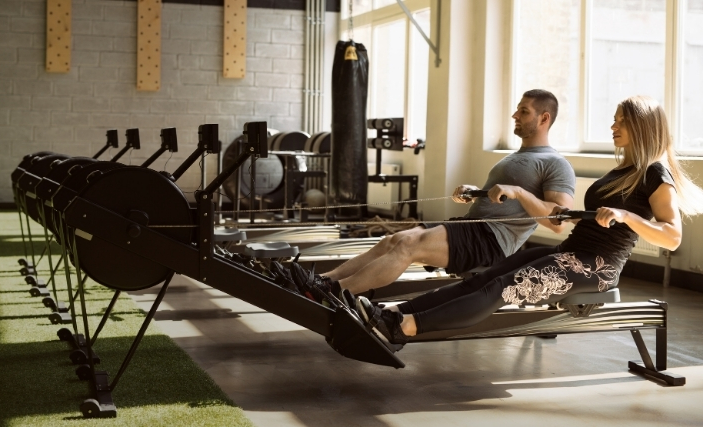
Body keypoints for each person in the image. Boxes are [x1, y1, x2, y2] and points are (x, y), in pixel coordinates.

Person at [355, 95, 703, 346]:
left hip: (597, 268)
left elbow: (672, 237)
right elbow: (566, 219)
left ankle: (404, 327)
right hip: (572, 252)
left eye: (621, 120)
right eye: (614, 119)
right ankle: (392, 310)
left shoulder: (655, 173)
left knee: (501, 288)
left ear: (642, 126)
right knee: (484, 278)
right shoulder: (623, 169)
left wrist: (626, 215)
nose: (613, 125)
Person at [278, 89, 576, 303]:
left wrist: (520, 192)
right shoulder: (517, 156)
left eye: (524, 111)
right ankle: (322, 281)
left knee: (408, 245)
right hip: (472, 226)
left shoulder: (555, 164)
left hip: (493, 241)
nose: (515, 114)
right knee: (391, 240)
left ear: (544, 118)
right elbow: (504, 196)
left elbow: (559, 222)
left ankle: (331, 292)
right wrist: (475, 192)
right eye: (517, 109)